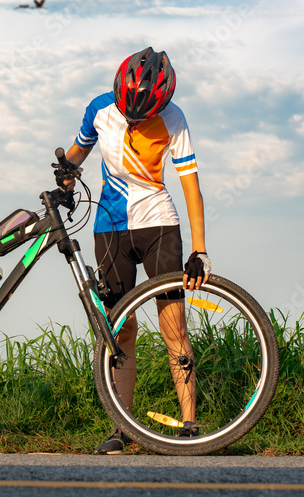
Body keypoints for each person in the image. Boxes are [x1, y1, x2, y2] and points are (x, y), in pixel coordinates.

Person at [59, 48, 210, 454]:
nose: (134, 120)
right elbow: (76, 154)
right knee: (120, 330)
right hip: (109, 228)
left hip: (159, 225)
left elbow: (191, 185)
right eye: (129, 114)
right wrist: (64, 172)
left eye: (142, 117)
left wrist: (199, 249)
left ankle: (190, 423)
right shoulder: (99, 109)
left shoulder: (174, 118)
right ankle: (122, 428)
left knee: (173, 325)